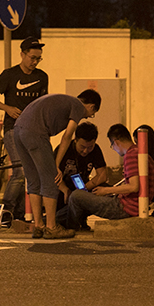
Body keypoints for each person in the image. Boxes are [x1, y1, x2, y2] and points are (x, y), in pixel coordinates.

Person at [14, 89, 102, 239]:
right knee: (51, 181)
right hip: (36, 133)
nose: (88, 116)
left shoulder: (62, 100)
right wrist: (56, 164)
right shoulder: (78, 106)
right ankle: (51, 227)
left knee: (33, 180)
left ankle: (38, 226)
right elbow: (67, 137)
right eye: (92, 114)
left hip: (18, 131)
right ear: (92, 106)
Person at [0, 36, 48, 221]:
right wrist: (7, 108)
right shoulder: (9, 75)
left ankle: (20, 212)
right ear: (22, 54)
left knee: (33, 171)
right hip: (13, 128)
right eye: (32, 58)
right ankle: (4, 211)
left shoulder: (42, 77)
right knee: (20, 170)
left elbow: (43, 103)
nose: (35, 62)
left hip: (34, 130)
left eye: (38, 59)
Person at [66, 124, 154, 229]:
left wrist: (106, 190)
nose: (114, 149)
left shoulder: (130, 156)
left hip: (125, 208)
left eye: (112, 146)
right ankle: (63, 221)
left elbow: (134, 186)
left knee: (76, 196)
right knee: (84, 198)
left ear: (116, 142)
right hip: (135, 205)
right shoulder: (139, 152)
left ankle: (71, 228)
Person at [55, 121, 108, 219]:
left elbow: (102, 175)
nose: (85, 151)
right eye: (82, 147)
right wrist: (65, 190)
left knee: (105, 190)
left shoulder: (96, 150)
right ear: (75, 140)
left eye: (89, 147)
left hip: (83, 186)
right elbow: (53, 175)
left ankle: (82, 219)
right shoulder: (64, 150)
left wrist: (83, 190)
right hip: (63, 187)